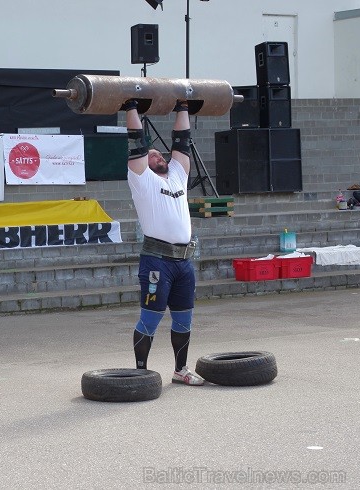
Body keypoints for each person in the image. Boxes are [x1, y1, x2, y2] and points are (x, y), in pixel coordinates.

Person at [123, 97, 205, 386]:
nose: (159, 156)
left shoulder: (178, 176)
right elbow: (137, 142)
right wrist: (131, 107)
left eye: (161, 155)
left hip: (184, 262)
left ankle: (180, 370)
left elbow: (182, 141)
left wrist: (183, 107)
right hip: (157, 261)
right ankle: (141, 374)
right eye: (153, 154)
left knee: (184, 319)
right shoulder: (141, 179)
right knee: (151, 318)